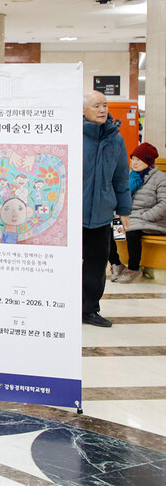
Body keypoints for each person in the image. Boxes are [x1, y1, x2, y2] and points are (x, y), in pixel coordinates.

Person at [82, 90, 131, 327]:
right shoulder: (72, 135)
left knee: (97, 263)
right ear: (83, 109)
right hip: (74, 215)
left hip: (101, 215)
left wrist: (125, 210)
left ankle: (89, 310)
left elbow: (121, 178)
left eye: (105, 105)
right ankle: (63, 307)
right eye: (96, 106)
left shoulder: (116, 138)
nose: (103, 110)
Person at [110, 142, 165, 283]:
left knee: (132, 230)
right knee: (107, 229)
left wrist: (145, 216)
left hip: (151, 219)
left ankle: (133, 268)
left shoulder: (160, 178)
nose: (134, 163)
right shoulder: (129, 176)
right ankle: (116, 263)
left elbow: (164, 204)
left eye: (138, 160)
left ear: (148, 161)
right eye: (133, 159)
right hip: (131, 217)